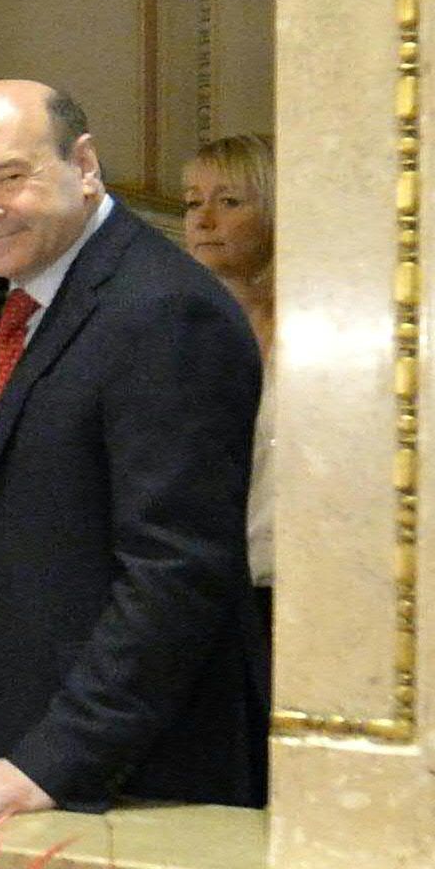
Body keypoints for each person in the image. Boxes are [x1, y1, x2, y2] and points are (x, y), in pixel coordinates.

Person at [0, 82, 262, 822]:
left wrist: (55, 758)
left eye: (9, 177)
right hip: (9, 732)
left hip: (120, 774)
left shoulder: (164, 310)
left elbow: (175, 569)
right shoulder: (14, 298)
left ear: (84, 165)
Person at [184, 132, 276, 708]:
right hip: (206, 581)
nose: (204, 219)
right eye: (193, 202)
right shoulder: (179, 322)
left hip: (292, 578)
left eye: (230, 201)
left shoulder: (328, 323)